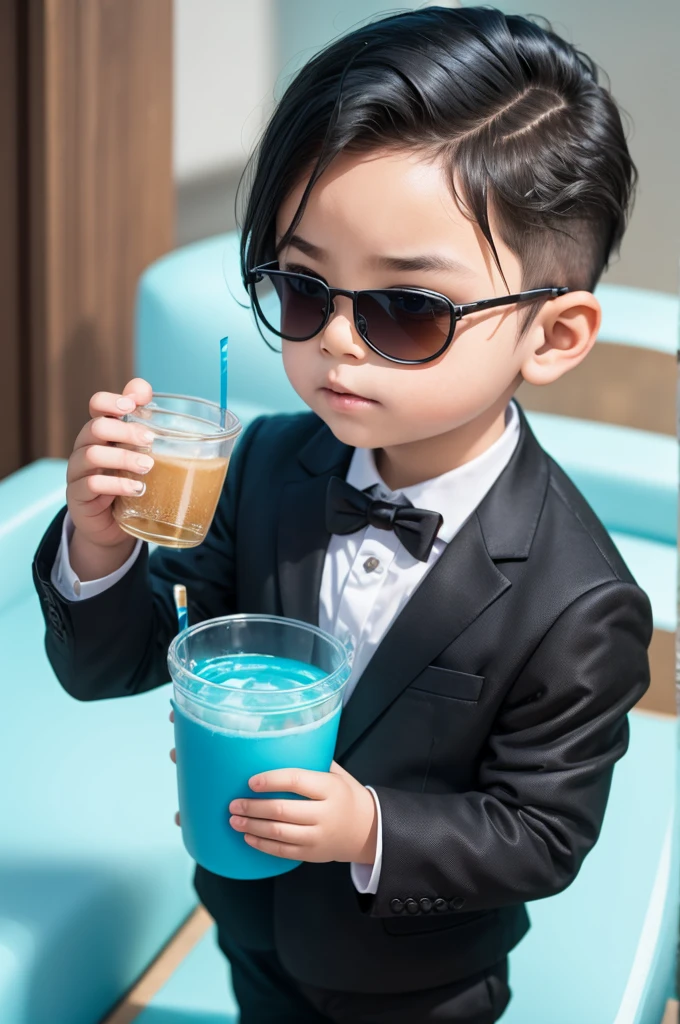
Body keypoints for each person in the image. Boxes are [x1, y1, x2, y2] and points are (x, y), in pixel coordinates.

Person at [32, 7, 653, 1022]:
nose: (337, 345)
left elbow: (543, 836)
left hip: (418, 978)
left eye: (407, 309)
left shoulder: (577, 600)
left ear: (552, 335)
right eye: (303, 289)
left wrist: (367, 824)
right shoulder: (269, 465)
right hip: (246, 918)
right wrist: (99, 548)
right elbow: (120, 662)